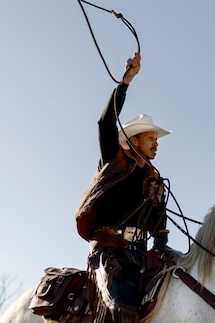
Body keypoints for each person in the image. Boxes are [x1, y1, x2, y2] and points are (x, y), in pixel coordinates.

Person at [75, 53, 175, 323]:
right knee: (123, 309)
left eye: (157, 139)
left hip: (140, 255)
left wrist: (164, 247)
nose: (156, 143)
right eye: (151, 138)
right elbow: (105, 124)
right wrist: (126, 81)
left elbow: (159, 225)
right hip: (110, 252)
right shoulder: (114, 160)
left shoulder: (153, 178)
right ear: (134, 140)